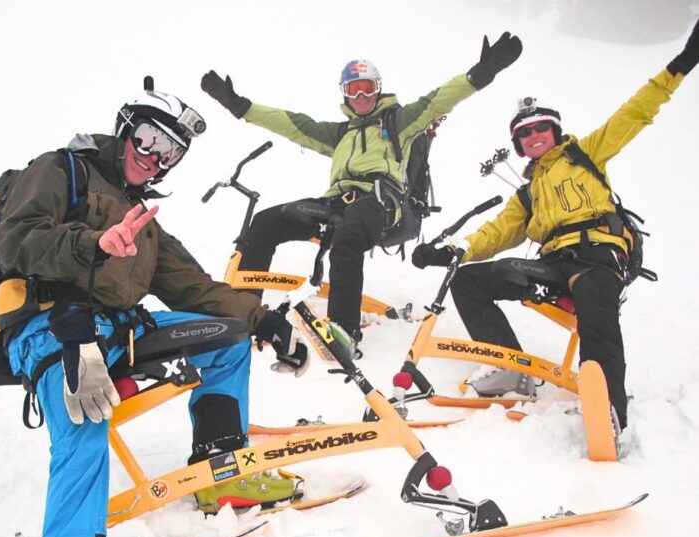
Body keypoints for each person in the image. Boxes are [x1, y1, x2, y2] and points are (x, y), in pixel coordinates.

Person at [0, 79, 309, 537]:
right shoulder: (62, 170)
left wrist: (264, 317)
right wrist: (92, 243)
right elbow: (17, 240)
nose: (154, 156)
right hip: (51, 331)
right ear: (124, 128)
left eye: (170, 152)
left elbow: (198, 289)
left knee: (228, 340)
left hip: (120, 331)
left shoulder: (148, 224)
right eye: (146, 138)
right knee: (85, 435)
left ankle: (222, 473)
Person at [411, 20, 699, 436]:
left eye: (540, 127)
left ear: (555, 131)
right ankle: (509, 367)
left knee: (596, 312)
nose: (533, 136)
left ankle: (607, 410)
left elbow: (636, 112)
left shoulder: (587, 154)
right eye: (523, 133)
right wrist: (453, 251)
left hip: (598, 257)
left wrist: (681, 64)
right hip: (553, 266)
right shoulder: (527, 195)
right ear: (518, 145)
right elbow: (493, 233)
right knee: (470, 281)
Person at [201, 34, 523, 350]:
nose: (360, 96)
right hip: (337, 201)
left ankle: (343, 329)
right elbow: (291, 124)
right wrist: (241, 107)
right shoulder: (340, 133)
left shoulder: (398, 122)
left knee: (348, 237)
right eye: (353, 90)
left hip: (381, 201)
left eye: (366, 87)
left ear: (377, 87)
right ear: (345, 94)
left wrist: (478, 75)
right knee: (266, 222)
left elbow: (437, 100)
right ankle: (245, 312)